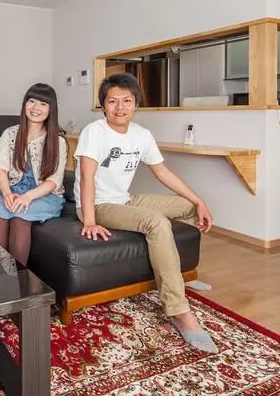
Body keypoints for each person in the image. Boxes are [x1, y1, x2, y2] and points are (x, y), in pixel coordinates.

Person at [74, 72, 217, 353]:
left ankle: (180, 274)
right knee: (156, 221)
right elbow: (86, 177)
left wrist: (199, 200)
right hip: (98, 205)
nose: (120, 107)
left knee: (187, 206)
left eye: (126, 101)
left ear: (136, 104)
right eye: (112, 101)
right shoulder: (94, 131)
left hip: (124, 200)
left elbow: (162, 172)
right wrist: (89, 221)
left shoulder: (142, 135)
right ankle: (177, 309)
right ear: (103, 106)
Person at [0, 83, 67, 265]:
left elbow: (54, 180)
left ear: (51, 109)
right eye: (31, 101)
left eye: (43, 103)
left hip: (44, 195)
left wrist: (27, 197)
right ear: (24, 104)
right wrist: (7, 194)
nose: (35, 108)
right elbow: (1, 168)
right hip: (12, 190)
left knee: (19, 217)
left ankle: (17, 279)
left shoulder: (58, 140)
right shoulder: (10, 133)